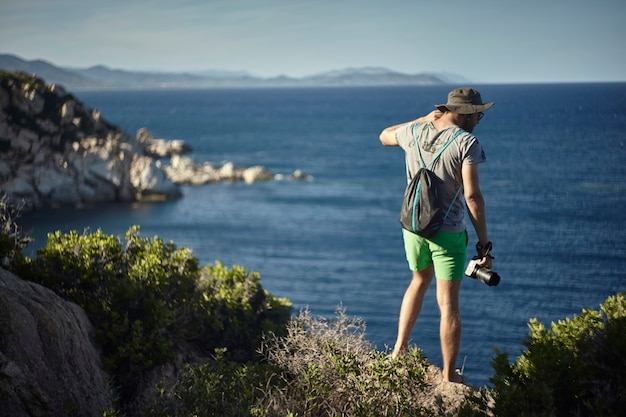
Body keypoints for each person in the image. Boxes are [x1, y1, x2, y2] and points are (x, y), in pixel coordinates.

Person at [379, 87, 495, 383]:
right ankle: (449, 375)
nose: (480, 120)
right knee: (449, 304)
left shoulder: (415, 131)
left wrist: (423, 118)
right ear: (465, 114)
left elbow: (384, 135)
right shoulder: (467, 142)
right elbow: (472, 198)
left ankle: (398, 350)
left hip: (413, 227)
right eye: (478, 114)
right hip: (447, 233)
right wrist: (484, 246)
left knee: (418, 281)